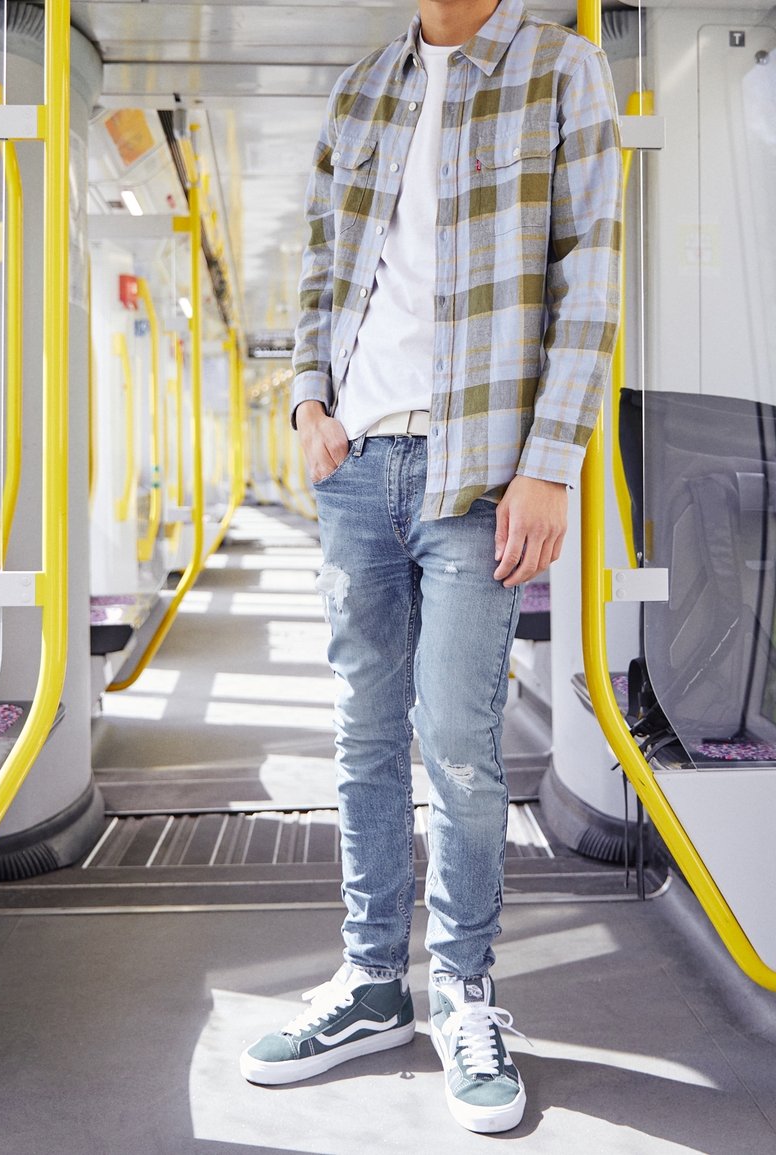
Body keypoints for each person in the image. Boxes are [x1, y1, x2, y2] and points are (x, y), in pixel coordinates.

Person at [241, 0, 621, 1134]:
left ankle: (462, 990)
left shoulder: (562, 69)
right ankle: (369, 987)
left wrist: (549, 464)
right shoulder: (362, 87)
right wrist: (308, 400)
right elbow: (322, 263)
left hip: (480, 472)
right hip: (355, 466)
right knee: (362, 737)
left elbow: (587, 275)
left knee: (456, 745)